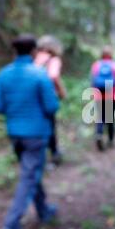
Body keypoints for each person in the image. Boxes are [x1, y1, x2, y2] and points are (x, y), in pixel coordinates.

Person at [0, 34, 60, 229]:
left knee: (31, 172)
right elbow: (51, 107)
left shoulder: (4, 74)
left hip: (15, 134)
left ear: (15, 51)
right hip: (36, 134)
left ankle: (43, 210)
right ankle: (10, 226)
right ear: (33, 51)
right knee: (29, 176)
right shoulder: (39, 75)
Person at [34, 35, 67, 166]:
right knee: (50, 125)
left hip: (33, 96)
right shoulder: (53, 59)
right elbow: (53, 76)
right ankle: (54, 154)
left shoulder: (35, 57)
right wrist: (62, 91)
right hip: (47, 96)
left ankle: (37, 152)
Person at [91, 46, 115, 151]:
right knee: (110, 117)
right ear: (111, 54)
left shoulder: (96, 65)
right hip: (112, 94)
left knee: (100, 116)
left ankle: (99, 134)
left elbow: (92, 80)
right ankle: (110, 140)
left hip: (98, 94)